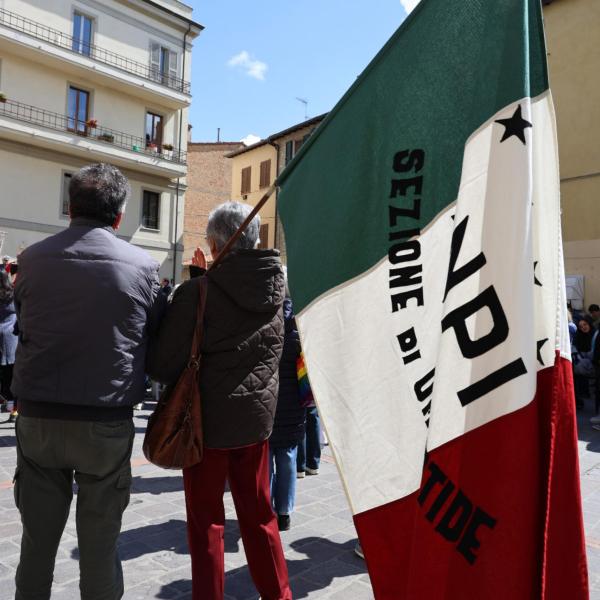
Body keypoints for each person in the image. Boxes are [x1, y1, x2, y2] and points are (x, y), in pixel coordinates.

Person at [11, 163, 162, 600]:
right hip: (105, 421)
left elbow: (24, 318)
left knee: (36, 545)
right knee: (100, 547)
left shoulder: (32, 260)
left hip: (38, 416)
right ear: (118, 217)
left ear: (69, 207)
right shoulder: (143, 267)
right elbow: (155, 334)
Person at [147, 201, 292, 600]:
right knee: (261, 517)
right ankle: (279, 594)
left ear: (217, 245)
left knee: (207, 522)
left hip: (206, 426)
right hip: (256, 422)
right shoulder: (275, 288)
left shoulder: (198, 292)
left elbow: (163, 364)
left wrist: (191, 289)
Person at [269, 289, 305, 531]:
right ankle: (285, 512)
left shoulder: (265, 329)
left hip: (268, 406)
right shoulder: (299, 332)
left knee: (266, 462)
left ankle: (267, 509)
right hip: (293, 407)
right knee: (288, 459)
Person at [0, 270, 18, 422]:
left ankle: (7, 403)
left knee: (5, 375)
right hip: (12, 337)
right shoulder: (14, 294)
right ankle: (13, 409)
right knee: (13, 373)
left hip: (2, 338)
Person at [572, 316, 597, 408]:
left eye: (585, 324)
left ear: (589, 324)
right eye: (581, 326)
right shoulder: (578, 336)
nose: (583, 328)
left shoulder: (595, 335)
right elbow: (575, 347)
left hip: (594, 362)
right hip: (582, 362)